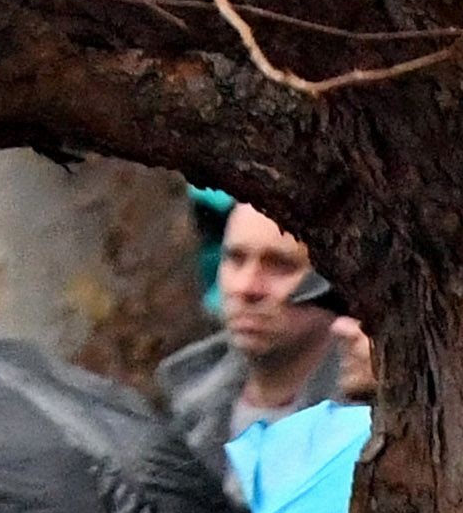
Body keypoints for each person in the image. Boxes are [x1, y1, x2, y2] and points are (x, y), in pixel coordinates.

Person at [157, 197, 369, 464]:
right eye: (235, 258)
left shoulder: (370, 416)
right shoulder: (181, 404)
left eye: (280, 265)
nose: (247, 287)